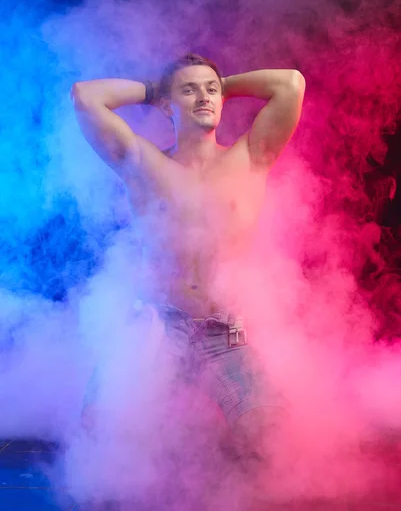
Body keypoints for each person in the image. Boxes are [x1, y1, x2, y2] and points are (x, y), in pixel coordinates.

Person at [71, 53, 305, 508]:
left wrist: (220, 82)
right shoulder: (142, 161)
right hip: (159, 328)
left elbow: (290, 84)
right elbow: (86, 96)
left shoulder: (251, 155)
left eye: (211, 90)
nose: (205, 96)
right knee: (100, 440)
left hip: (224, 334)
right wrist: (156, 89)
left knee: (270, 446)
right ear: (168, 104)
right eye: (190, 90)